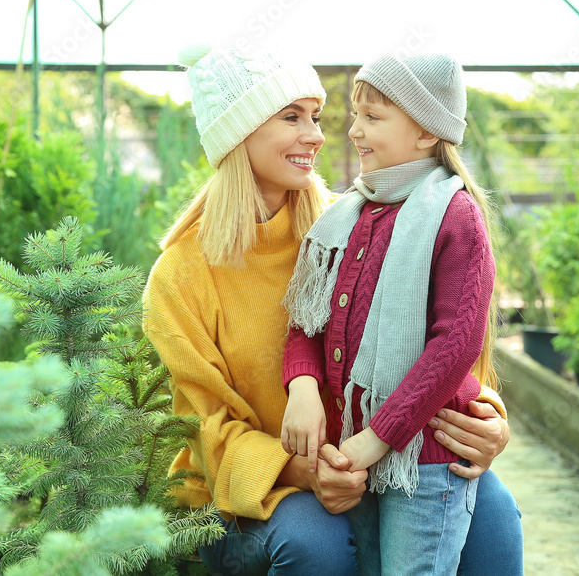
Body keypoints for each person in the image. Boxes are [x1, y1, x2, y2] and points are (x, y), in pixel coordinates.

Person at [142, 42, 523, 575]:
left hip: (369, 458)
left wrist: (487, 422)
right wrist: (302, 470)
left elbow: (435, 340)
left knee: (496, 514)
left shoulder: (344, 224)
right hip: (255, 496)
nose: (319, 136)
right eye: (292, 117)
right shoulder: (182, 275)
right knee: (316, 541)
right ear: (240, 133)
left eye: (317, 117)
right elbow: (205, 431)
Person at [280, 52, 496, 575]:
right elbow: (307, 318)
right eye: (356, 115)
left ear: (426, 132)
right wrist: (303, 386)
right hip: (360, 457)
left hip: (424, 464)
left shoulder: (454, 213)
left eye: (373, 117)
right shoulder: (348, 215)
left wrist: (377, 437)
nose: (353, 130)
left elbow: (456, 344)